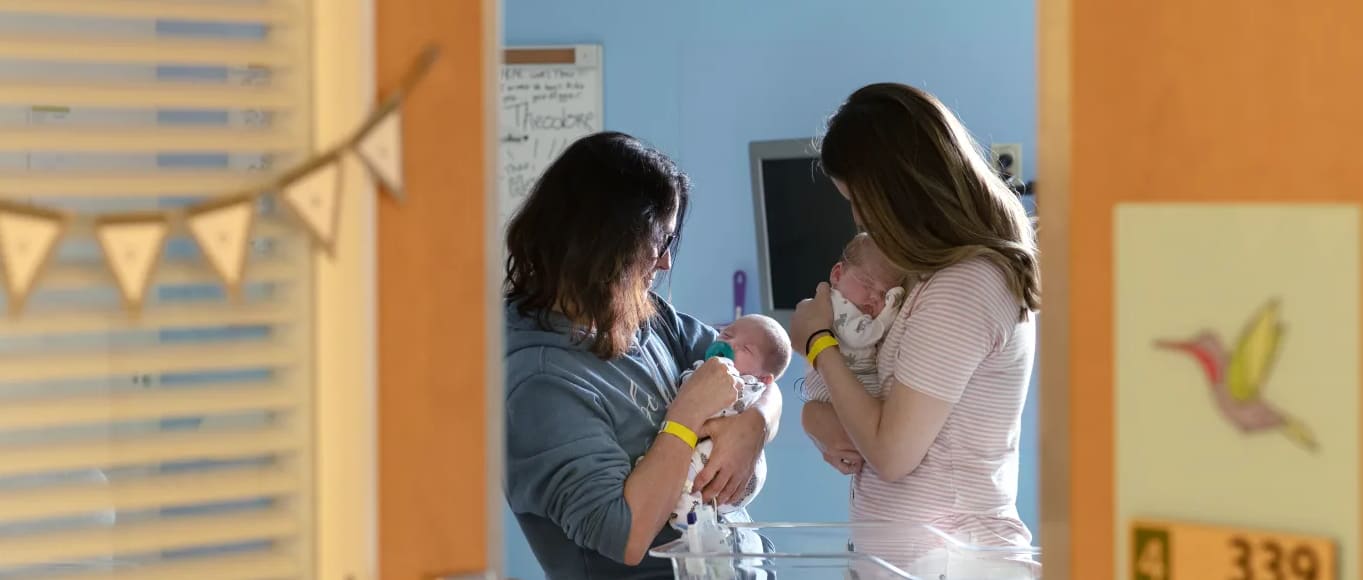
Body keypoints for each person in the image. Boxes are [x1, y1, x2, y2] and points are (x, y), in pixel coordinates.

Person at [503, 131, 782, 579]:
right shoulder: (537, 381)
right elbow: (627, 537)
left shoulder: (642, 316)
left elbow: (760, 368)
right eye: (661, 241)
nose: (666, 263)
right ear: (605, 242)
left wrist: (756, 423)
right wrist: (687, 414)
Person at [791, 83, 1041, 575]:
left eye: (859, 200)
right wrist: (813, 419)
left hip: (956, 562)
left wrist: (818, 343)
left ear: (897, 192)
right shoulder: (924, 279)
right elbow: (876, 415)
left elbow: (890, 453)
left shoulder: (966, 285)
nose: (858, 218)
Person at [669, 314, 791, 532]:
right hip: (714, 468)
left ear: (763, 378)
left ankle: (687, 510)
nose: (729, 344)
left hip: (734, 472)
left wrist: (758, 420)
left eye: (746, 349)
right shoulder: (707, 363)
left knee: (693, 471)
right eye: (726, 334)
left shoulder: (746, 385)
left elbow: (739, 401)